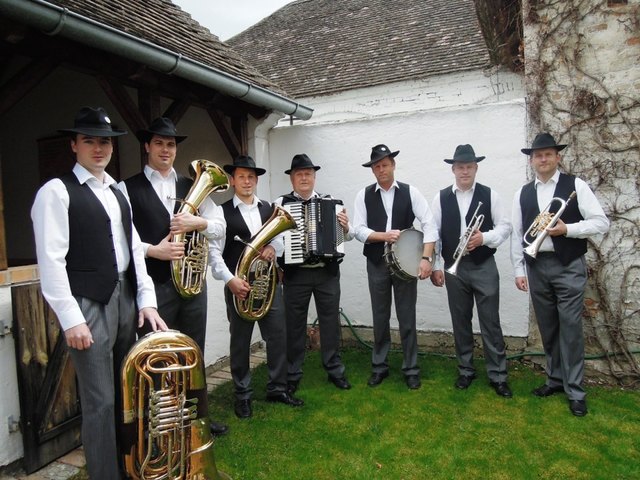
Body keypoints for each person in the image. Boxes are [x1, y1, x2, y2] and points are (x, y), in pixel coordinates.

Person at [31, 106, 167, 480]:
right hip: (89, 303)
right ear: (74, 145)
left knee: (129, 395)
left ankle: (130, 468)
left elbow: (134, 249)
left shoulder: (117, 192)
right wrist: (71, 317)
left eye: (104, 141)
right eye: (89, 140)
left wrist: (147, 299)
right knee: (101, 401)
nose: (98, 148)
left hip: (126, 298)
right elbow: (51, 261)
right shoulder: (56, 192)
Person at [118, 117, 229, 436]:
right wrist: (155, 250)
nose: (165, 149)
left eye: (170, 144)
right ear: (147, 146)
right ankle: (162, 425)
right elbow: (122, 237)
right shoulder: (127, 188)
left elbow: (220, 228)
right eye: (159, 143)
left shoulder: (192, 185)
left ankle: (197, 420)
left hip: (193, 288)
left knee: (194, 353)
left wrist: (199, 224)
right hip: (153, 288)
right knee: (158, 356)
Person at [511, 132, 609, 417]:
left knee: (570, 328)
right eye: (538, 155)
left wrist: (568, 229)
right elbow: (518, 235)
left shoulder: (575, 185)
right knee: (548, 327)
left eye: (548, 154)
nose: (543, 159)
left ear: (557, 157)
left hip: (568, 264)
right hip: (537, 265)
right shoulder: (523, 192)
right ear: (532, 160)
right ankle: (554, 379)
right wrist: (519, 269)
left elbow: (601, 222)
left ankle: (576, 390)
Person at [210, 155, 304, 419]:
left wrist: (273, 248)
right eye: (242, 176)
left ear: (257, 180)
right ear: (232, 180)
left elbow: (282, 241)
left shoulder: (269, 209)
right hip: (238, 285)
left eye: (251, 177)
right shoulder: (221, 212)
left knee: (277, 337)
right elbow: (215, 254)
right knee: (240, 342)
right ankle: (243, 395)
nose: (247, 181)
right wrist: (230, 280)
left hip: (269, 285)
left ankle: (277, 387)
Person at [430, 144, 513, 397]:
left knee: (490, 322)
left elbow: (505, 226)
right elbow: (433, 233)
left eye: (469, 167)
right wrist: (436, 265)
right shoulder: (441, 197)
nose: (464, 171)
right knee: (460, 321)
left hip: (484, 266)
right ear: (453, 169)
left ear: (476, 168)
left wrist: (484, 238)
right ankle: (466, 370)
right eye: (460, 167)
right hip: (455, 268)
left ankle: (498, 375)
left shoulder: (491, 195)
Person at [352, 144, 438, 389]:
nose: (382, 169)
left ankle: (411, 369)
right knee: (380, 317)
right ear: (373, 170)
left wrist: (426, 258)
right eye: (377, 166)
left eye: (385, 164)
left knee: (406, 317)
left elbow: (430, 224)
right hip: (376, 263)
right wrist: (383, 236)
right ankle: (380, 367)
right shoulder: (364, 195)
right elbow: (357, 229)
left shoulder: (411, 192)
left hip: (407, 264)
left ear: (393, 165)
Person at [274, 153, 353, 395]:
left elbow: (345, 238)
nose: (304, 178)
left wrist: (345, 227)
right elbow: (275, 239)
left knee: (330, 323)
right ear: (292, 179)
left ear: (314, 177)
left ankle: (334, 369)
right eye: (299, 174)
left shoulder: (332, 204)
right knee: (294, 325)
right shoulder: (281, 203)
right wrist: (280, 262)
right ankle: (293, 372)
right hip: (296, 275)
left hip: (326, 274)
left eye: (308, 173)